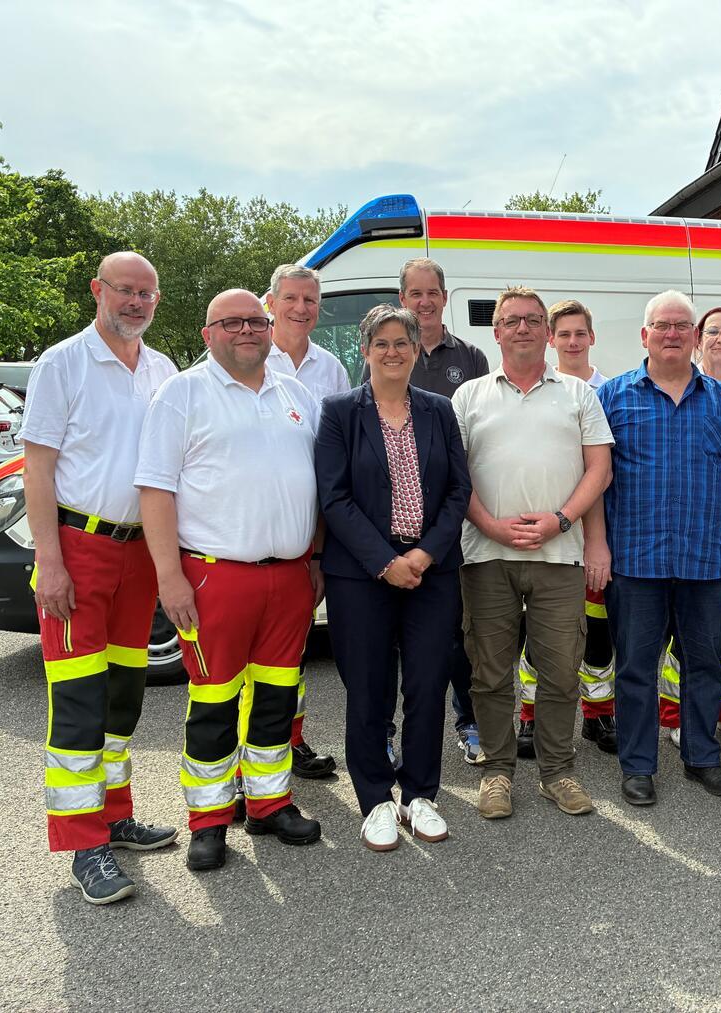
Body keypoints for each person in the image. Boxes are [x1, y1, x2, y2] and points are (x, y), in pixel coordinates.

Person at [136, 289, 323, 872]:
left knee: (276, 696)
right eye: (232, 322)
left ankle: (269, 803)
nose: (247, 330)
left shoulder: (296, 394)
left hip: (289, 576)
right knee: (212, 701)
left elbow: (317, 483)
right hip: (215, 575)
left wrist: (315, 559)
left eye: (255, 321)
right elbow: (155, 489)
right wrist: (169, 577)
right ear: (208, 333)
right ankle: (210, 819)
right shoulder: (181, 394)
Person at [21, 252, 179, 905]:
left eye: (147, 292)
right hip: (80, 549)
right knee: (80, 701)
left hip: (141, 554)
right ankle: (85, 843)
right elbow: (38, 468)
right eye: (125, 290)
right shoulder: (62, 363)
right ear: (98, 291)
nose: (136, 302)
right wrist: (49, 559)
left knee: (122, 696)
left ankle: (115, 818)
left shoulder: (164, 370)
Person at [597, 290, 721, 806]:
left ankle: (701, 758)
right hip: (635, 560)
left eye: (681, 326)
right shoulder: (614, 397)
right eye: (661, 325)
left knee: (705, 665)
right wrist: (597, 547)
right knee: (635, 668)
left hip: (707, 558)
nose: (672, 333)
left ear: (695, 337)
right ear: (644, 334)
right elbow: (595, 478)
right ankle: (639, 766)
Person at [453, 286, 612, 819]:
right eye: (511, 320)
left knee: (561, 671)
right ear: (495, 332)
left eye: (532, 320)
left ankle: (557, 772)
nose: (522, 328)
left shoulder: (577, 394)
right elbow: (455, 478)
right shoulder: (469, 396)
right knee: (490, 673)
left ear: (548, 332)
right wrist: (492, 526)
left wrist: (562, 521)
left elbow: (599, 470)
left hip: (559, 555)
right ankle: (498, 772)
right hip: (486, 555)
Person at [315, 304, 471, 851]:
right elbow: (333, 497)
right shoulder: (339, 413)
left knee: (428, 683)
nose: (392, 352)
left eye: (401, 342)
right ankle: (377, 799)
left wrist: (424, 555)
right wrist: (385, 561)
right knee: (369, 687)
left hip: (432, 570)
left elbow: (458, 491)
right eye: (380, 343)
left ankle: (421, 792)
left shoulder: (439, 410)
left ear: (414, 348)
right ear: (365, 351)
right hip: (361, 575)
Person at [368, 258, 490, 766]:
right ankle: (389, 733)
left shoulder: (472, 357)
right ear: (402, 298)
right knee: (392, 646)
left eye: (432, 292)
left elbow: (480, 440)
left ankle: (468, 723)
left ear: (444, 296)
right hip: (395, 527)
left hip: (452, 523)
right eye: (413, 293)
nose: (424, 301)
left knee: (454, 638)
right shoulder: (390, 351)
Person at [515, 299, 616, 755]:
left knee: (598, 630)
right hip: (545, 531)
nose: (573, 342)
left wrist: (598, 539)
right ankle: (530, 719)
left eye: (581, 334)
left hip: (592, 530)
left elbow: (602, 471)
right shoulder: (538, 388)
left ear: (592, 338)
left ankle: (598, 715)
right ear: (551, 340)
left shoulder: (609, 392)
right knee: (541, 633)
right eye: (564, 334)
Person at [264, 263, 351, 781]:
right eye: (291, 299)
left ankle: (289, 743)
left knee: (291, 649)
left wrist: (321, 549)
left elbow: (333, 459)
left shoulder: (330, 368)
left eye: (310, 301)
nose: (301, 309)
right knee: (246, 662)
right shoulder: (244, 353)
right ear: (270, 303)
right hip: (258, 528)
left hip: (313, 528)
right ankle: (243, 755)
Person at [659, 305, 721, 748]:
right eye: (713, 331)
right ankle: (674, 713)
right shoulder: (685, 383)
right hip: (693, 530)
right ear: (700, 339)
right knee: (683, 633)